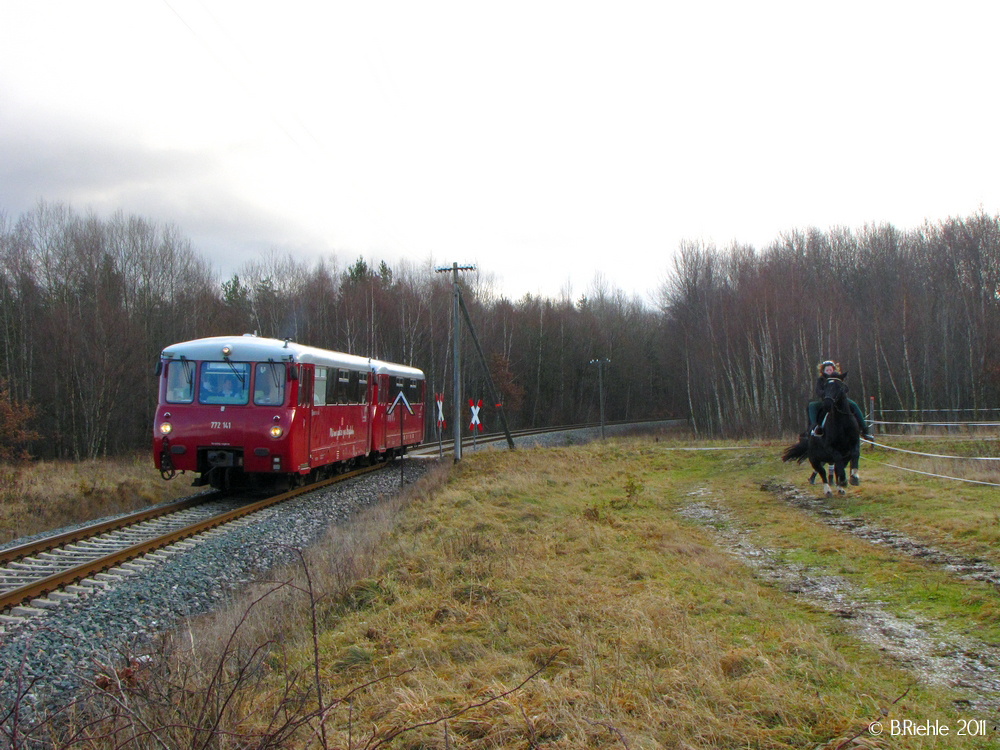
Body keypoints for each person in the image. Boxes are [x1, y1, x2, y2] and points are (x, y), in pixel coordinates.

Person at [806, 360, 872, 439]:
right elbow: (818, 390)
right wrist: (826, 394)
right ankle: (814, 427)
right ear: (823, 371)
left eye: (830, 370)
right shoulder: (821, 380)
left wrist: (839, 392)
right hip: (826, 400)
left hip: (839, 401)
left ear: (834, 370)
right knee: (811, 406)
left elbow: (846, 388)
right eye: (827, 370)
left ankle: (864, 430)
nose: (829, 371)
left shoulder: (838, 378)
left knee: (853, 405)